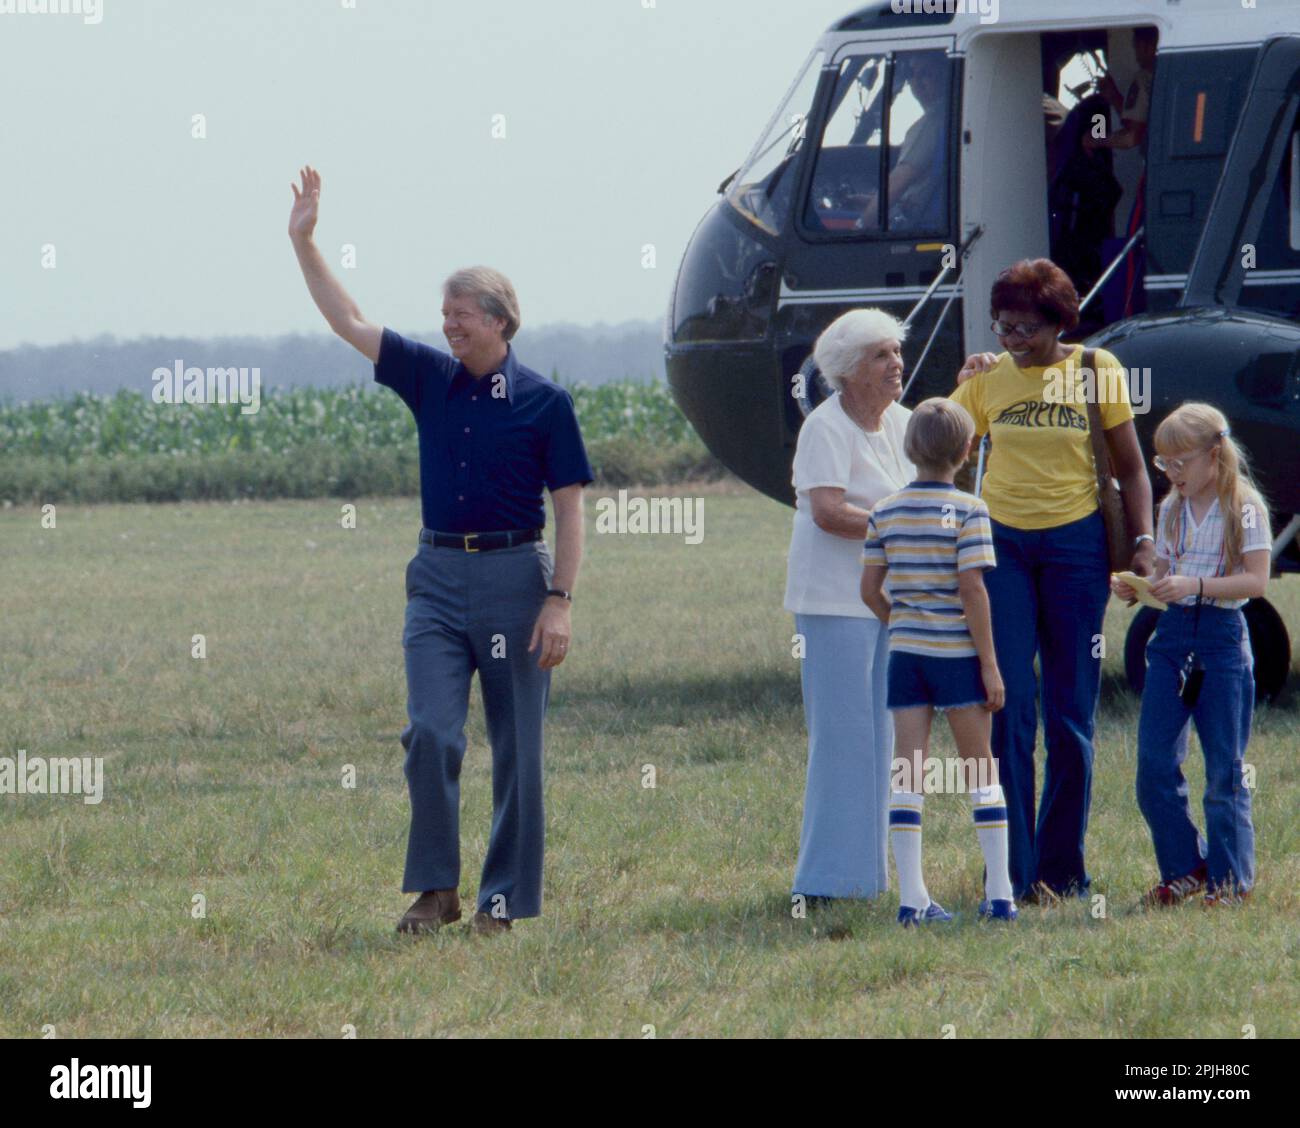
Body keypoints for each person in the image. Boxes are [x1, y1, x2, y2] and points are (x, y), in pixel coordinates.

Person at [287, 166, 593, 936]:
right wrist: (305, 241)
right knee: (429, 730)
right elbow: (347, 319)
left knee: (518, 748)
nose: (448, 326)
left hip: (518, 581)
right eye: (444, 314)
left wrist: (560, 599)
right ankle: (436, 890)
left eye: (460, 315)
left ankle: (500, 901)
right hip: (435, 580)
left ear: (499, 320)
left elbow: (571, 510)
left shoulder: (545, 404)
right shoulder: (429, 377)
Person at [951, 258, 1155, 902]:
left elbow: (1132, 466)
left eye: (1027, 330)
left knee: (1070, 714)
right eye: (1002, 327)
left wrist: (1144, 543)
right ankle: (1008, 871)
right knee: (1005, 705)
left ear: (1060, 322)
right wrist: (962, 382)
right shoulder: (988, 381)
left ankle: (1061, 871)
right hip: (1001, 548)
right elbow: (937, 441)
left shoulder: (1097, 371)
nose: (1012, 341)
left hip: (1077, 549)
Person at [860, 398, 1015, 926]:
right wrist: (990, 665)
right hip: (957, 657)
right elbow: (973, 590)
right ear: (967, 451)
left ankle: (913, 899)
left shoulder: (884, 511)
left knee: (908, 774)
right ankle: (1000, 893)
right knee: (980, 771)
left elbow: (869, 590)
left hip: (907, 658)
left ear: (908, 448)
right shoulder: (971, 511)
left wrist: (900, 621)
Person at [1113, 404, 1269, 908]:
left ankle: (1230, 882)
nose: (1172, 473)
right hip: (1172, 637)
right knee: (1155, 765)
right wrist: (1141, 587)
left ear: (1214, 455)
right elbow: (1164, 570)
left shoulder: (1245, 507)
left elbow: (1256, 580)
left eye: (1181, 462)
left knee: (1226, 769)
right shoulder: (1171, 508)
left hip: (1223, 638)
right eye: (1164, 464)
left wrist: (1196, 584)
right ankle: (1185, 867)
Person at [786, 309, 917, 904]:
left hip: (888, 600)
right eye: (880, 356)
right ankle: (822, 883)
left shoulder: (905, 424)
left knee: (882, 738)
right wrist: (902, 525)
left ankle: (865, 879)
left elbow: (950, 452)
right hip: (834, 602)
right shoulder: (825, 426)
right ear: (847, 370)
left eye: (895, 352)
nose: (896, 365)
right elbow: (829, 512)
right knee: (841, 738)